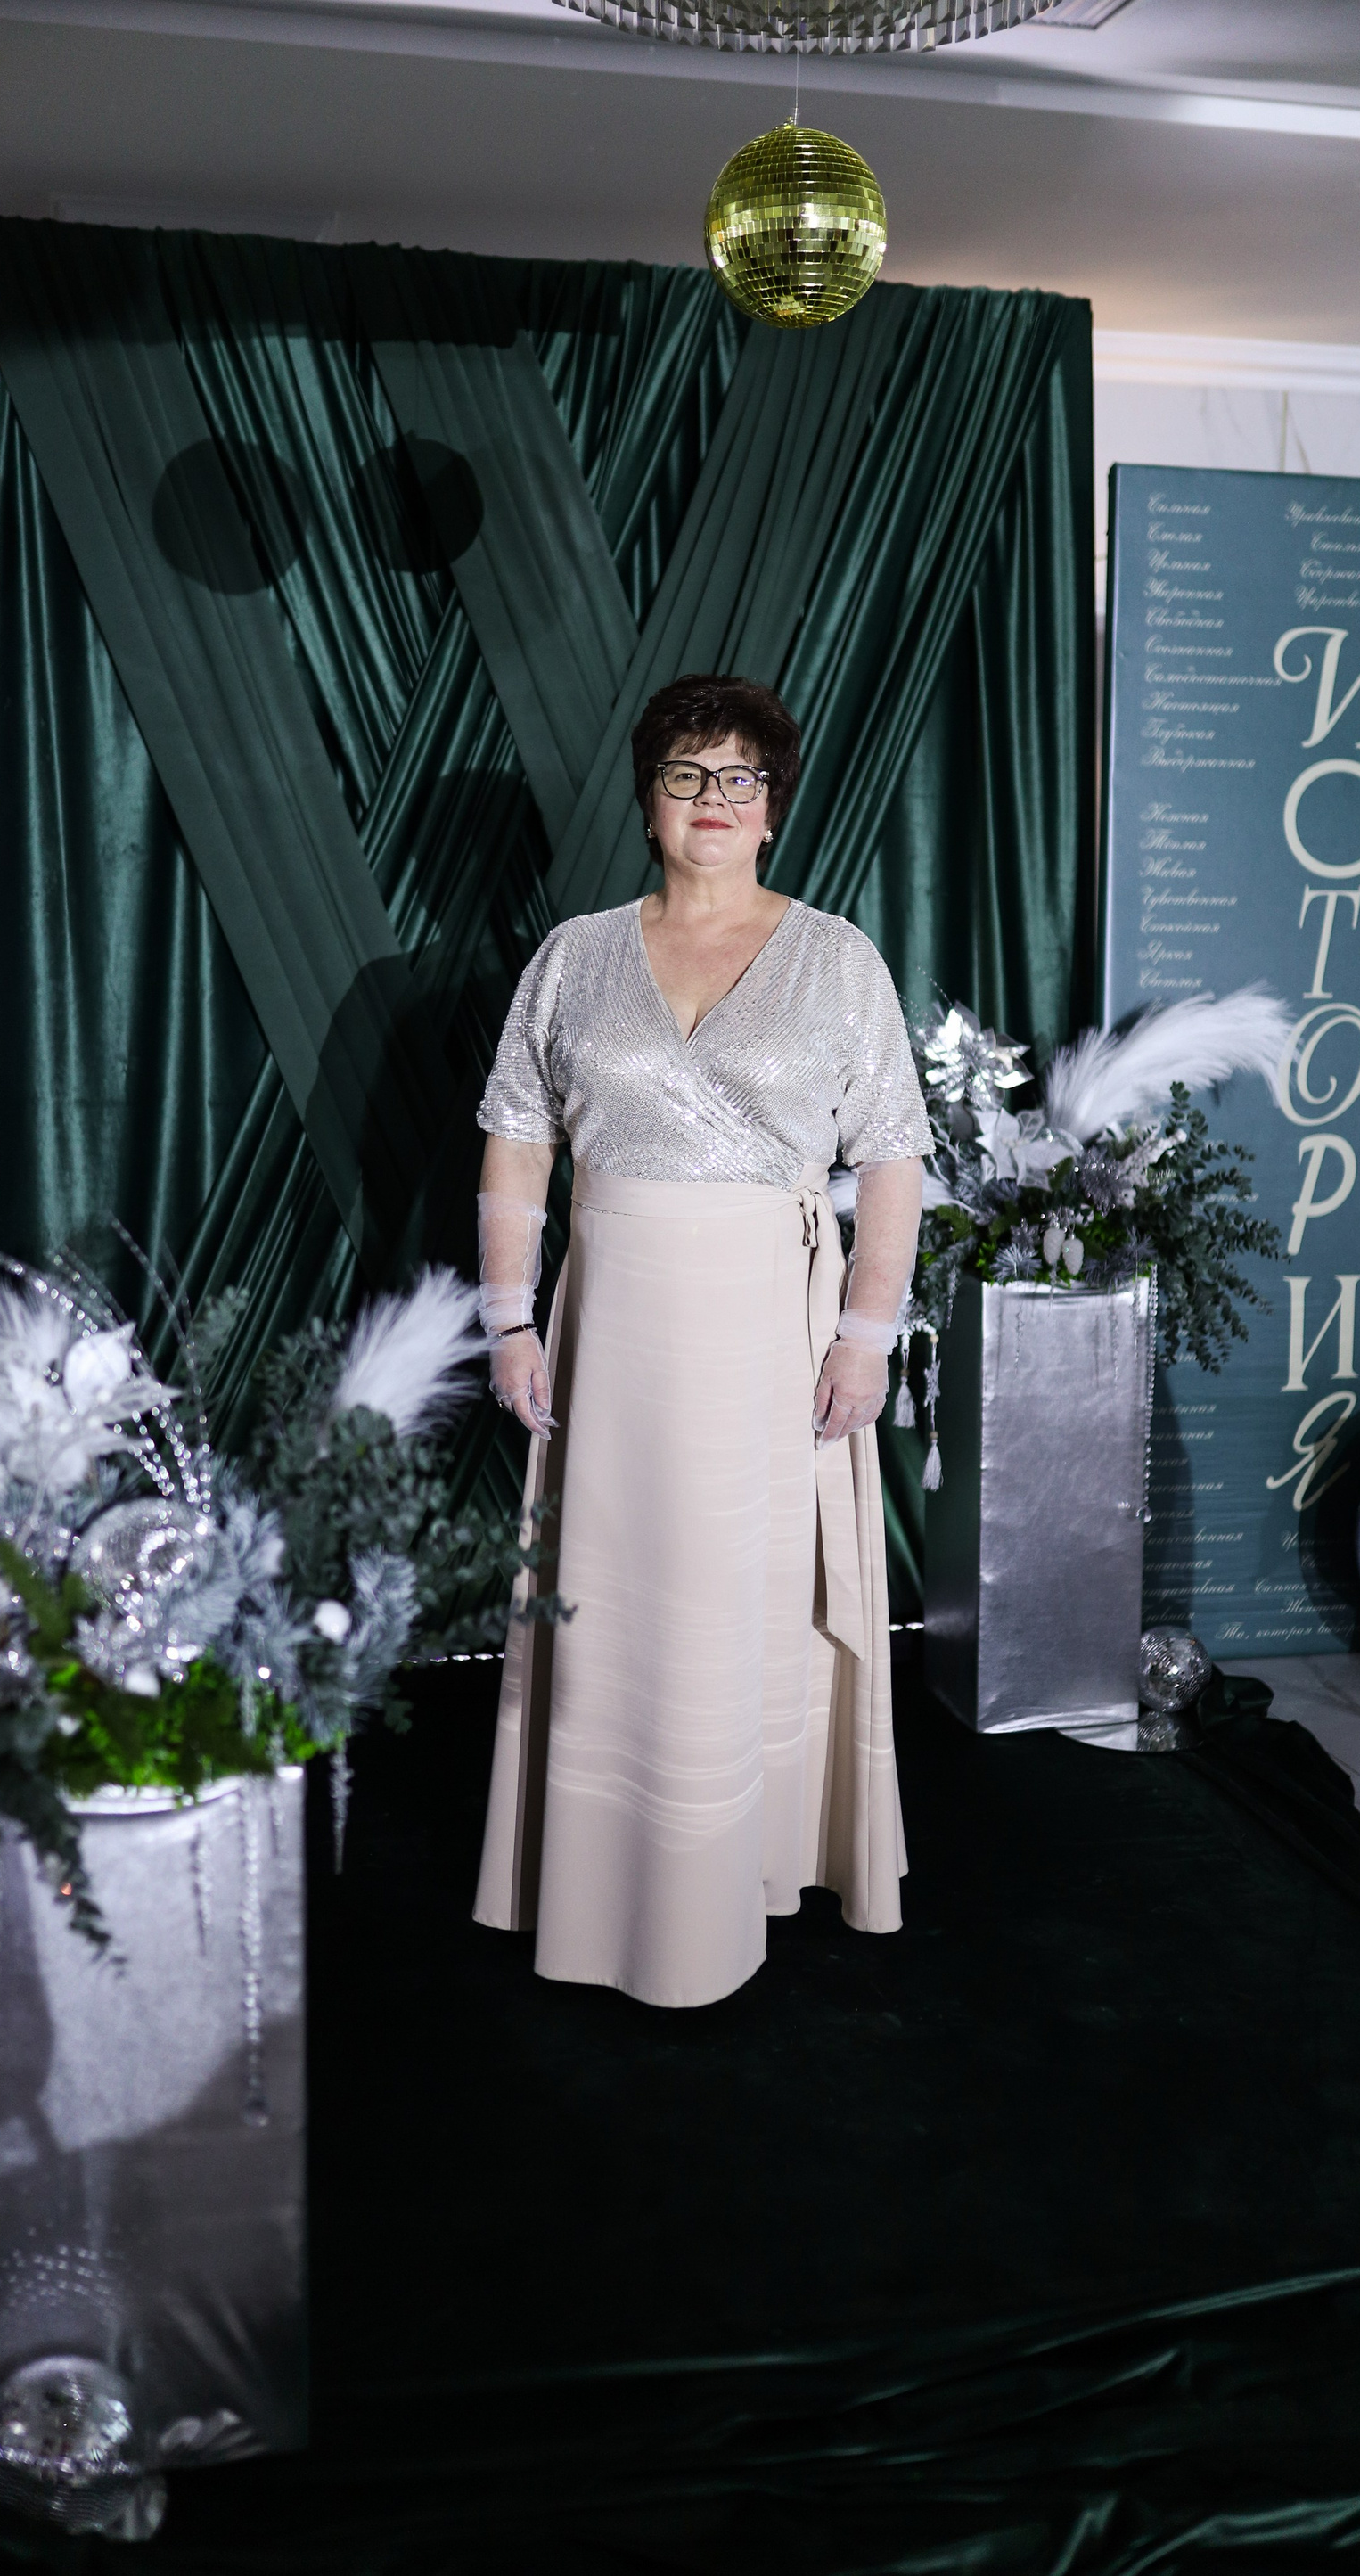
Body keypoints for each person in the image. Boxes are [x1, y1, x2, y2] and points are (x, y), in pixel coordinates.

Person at [471, 674, 929, 2009]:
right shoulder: (573, 957)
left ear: (773, 807)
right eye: (687, 775)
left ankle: (741, 1876)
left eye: (740, 778)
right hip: (611, 1330)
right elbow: (517, 1144)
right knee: (613, 1598)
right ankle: (593, 1886)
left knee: (741, 1604)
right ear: (649, 802)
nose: (713, 799)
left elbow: (892, 1158)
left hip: (768, 1333)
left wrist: (866, 1335)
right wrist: (509, 1317)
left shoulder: (838, 959)